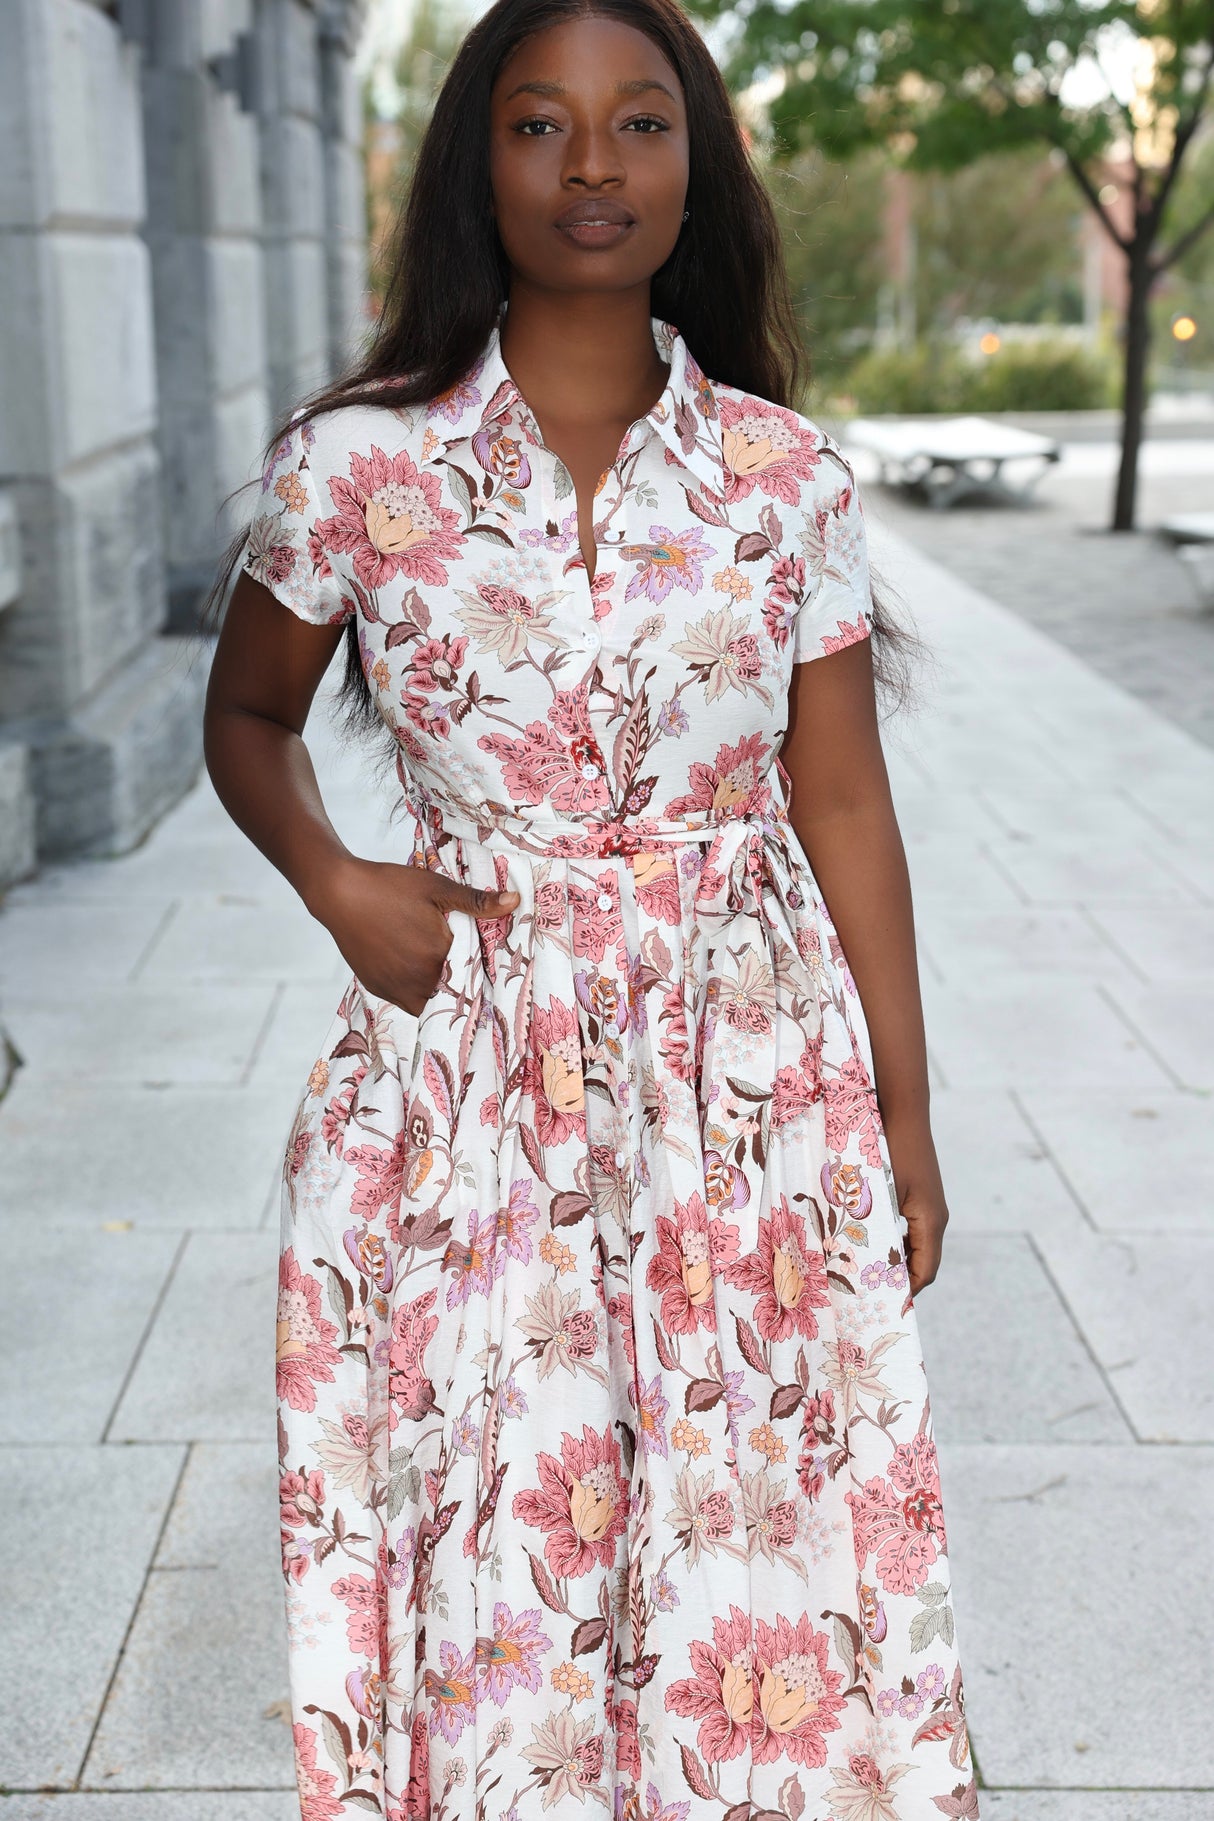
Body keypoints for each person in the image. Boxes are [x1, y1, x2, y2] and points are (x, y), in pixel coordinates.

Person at [204, 2, 980, 1816]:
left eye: (637, 126)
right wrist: (337, 879)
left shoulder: (787, 481)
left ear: (691, 160)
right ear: (479, 155)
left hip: (744, 1063)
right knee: (500, 1508)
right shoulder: (356, 469)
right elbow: (242, 717)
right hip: (473, 1059)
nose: (592, 168)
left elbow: (841, 795)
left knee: (749, 1515)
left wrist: (905, 1109)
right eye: (542, 127)